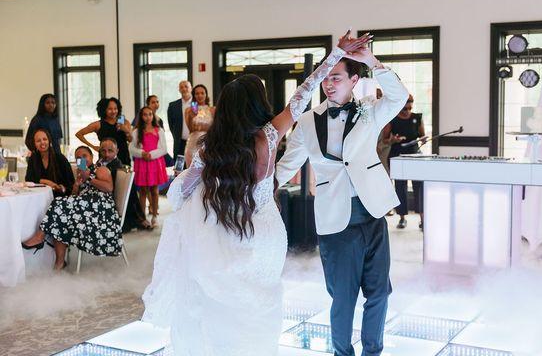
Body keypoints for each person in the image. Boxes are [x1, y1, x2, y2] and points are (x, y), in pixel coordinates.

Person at [142, 31, 371, 356]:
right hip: (264, 235)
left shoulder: (210, 149)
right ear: (256, 104)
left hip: (223, 236)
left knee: (221, 311)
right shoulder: (268, 135)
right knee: (260, 309)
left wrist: (184, 181)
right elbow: (304, 93)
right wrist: (335, 54)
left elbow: (180, 191)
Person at [276, 42, 409, 356]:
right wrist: (255, 189)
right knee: (343, 297)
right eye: (326, 77)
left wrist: (372, 61)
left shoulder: (370, 110)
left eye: (337, 77)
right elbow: (287, 165)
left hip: (372, 212)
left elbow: (399, 96)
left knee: (379, 293)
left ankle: (372, 351)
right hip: (336, 219)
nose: (329, 83)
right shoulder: (307, 123)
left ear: (354, 80)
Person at [21, 145, 122, 270]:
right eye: (78, 158)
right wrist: (77, 186)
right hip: (86, 208)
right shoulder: (81, 173)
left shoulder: (100, 169)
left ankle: (40, 236)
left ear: (91, 157)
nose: (82, 159)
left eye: (84, 156)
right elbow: (74, 197)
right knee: (61, 218)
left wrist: (89, 178)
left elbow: (109, 188)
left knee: (59, 205)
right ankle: (59, 263)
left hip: (101, 210)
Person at [382, 94, 425, 230]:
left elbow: (421, 135)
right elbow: (385, 140)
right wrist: (393, 140)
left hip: (414, 156)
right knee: (400, 186)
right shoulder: (392, 119)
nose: (407, 110)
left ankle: (423, 218)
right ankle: (402, 218)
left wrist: (423, 139)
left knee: (419, 186)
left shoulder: (417, 118)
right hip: (397, 156)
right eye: (405, 107)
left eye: (410, 106)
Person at [98, 137, 152, 231]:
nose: (106, 154)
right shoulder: (100, 162)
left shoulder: (117, 168)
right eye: (103, 151)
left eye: (110, 151)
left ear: (117, 151)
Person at [130, 107, 168, 227]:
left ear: (153, 116)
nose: (148, 117)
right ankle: (143, 218)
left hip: (155, 162)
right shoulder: (136, 132)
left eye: (150, 114)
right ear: (141, 117)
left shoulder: (159, 130)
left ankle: (155, 216)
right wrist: (142, 153)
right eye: (145, 115)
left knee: (155, 191)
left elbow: (164, 149)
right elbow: (131, 148)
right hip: (142, 163)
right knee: (142, 191)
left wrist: (151, 155)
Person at [75, 97, 133, 166]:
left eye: (115, 108)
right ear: (104, 110)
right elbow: (79, 134)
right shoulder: (98, 124)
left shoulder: (123, 121)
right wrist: (93, 146)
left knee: (122, 176)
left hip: (123, 155)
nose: (113, 111)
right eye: (110, 109)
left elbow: (130, 140)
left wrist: (126, 131)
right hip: (105, 156)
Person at [25, 128, 75, 197]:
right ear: (35, 144)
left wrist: (61, 188)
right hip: (38, 196)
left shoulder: (60, 158)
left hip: (58, 197)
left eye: (45, 139)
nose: (42, 142)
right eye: (38, 141)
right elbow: (28, 179)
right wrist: (46, 182)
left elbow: (70, 183)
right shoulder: (33, 158)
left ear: (49, 141)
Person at [183, 84, 215, 166]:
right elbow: (190, 129)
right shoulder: (188, 110)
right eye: (197, 93)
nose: (200, 95)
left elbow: (215, 128)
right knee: (192, 171)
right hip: (193, 143)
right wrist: (192, 115)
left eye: (202, 93)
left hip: (208, 143)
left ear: (206, 94)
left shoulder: (212, 110)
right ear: (193, 95)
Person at [167, 81, 192, 162]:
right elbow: (171, 125)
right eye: (181, 87)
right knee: (179, 168)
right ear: (179, 90)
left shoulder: (196, 104)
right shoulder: (173, 106)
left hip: (194, 142)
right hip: (179, 143)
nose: (184, 89)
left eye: (186, 86)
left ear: (191, 88)